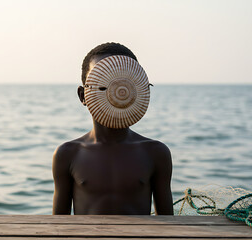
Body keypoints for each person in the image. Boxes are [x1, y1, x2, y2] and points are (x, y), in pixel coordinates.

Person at [52, 42, 173, 215]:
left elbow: (167, 225)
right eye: (102, 83)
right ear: (82, 95)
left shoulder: (155, 153)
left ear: (138, 90)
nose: (115, 90)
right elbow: (58, 226)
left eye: (124, 82)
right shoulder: (68, 154)